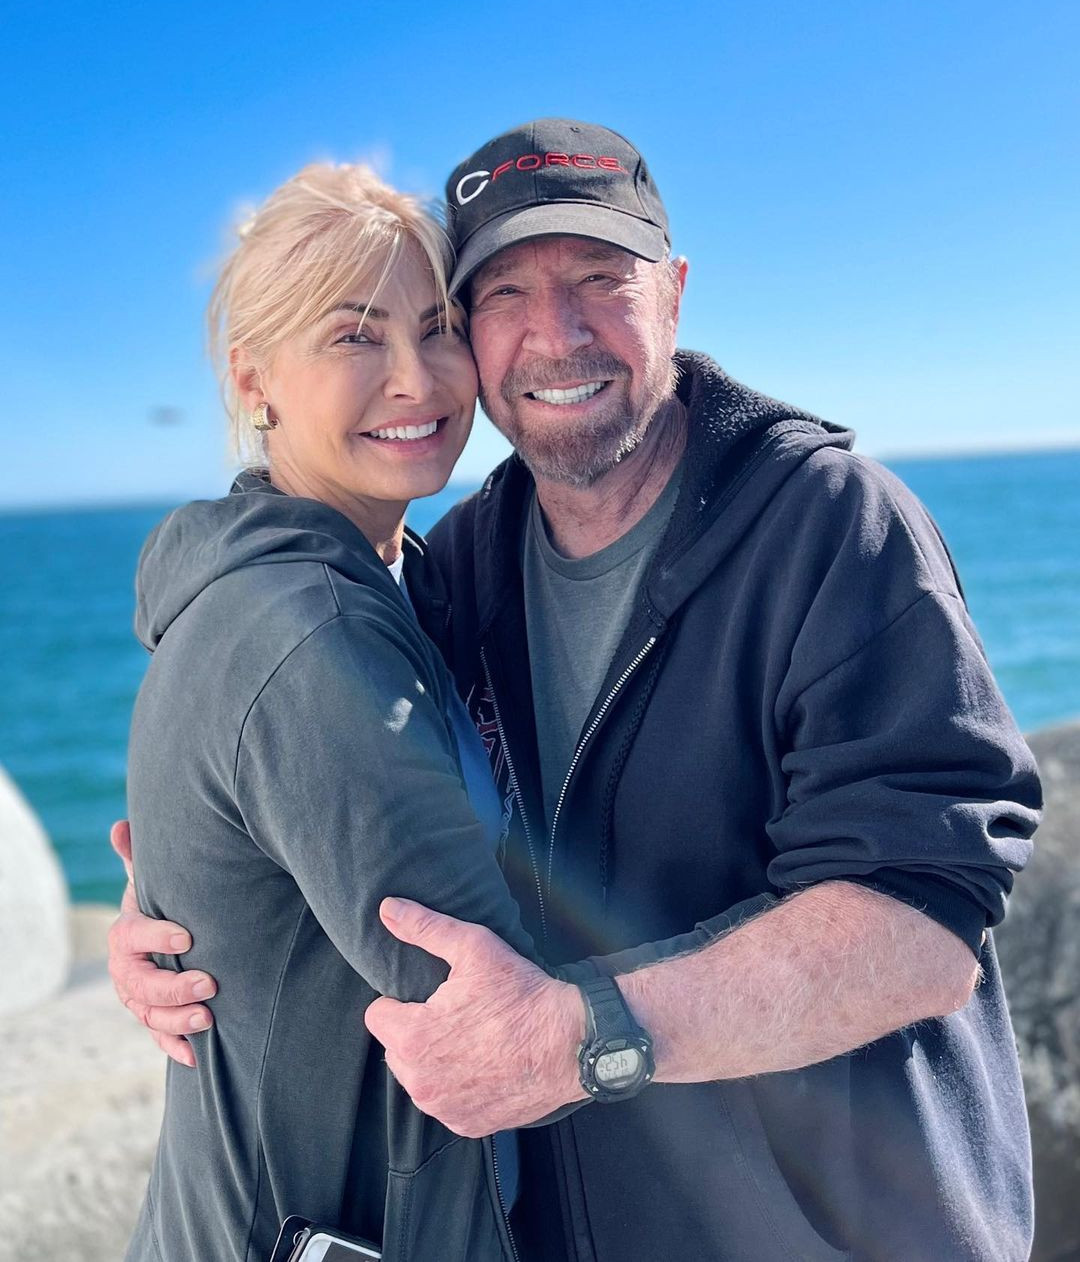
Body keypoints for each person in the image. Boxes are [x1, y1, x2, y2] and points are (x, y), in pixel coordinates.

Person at [110, 121, 1040, 1261]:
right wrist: (199, 914)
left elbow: (922, 924)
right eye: (501, 296)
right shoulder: (459, 571)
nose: (555, 334)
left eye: (601, 277)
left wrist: (584, 1032)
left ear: (674, 294)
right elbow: (336, 792)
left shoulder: (832, 529)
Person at [117, 161, 584, 1262]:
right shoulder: (305, 634)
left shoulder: (397, 581)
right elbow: (491, 1014)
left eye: (437, 330)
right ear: (255, 381)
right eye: (353, 337)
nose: (415, 379)